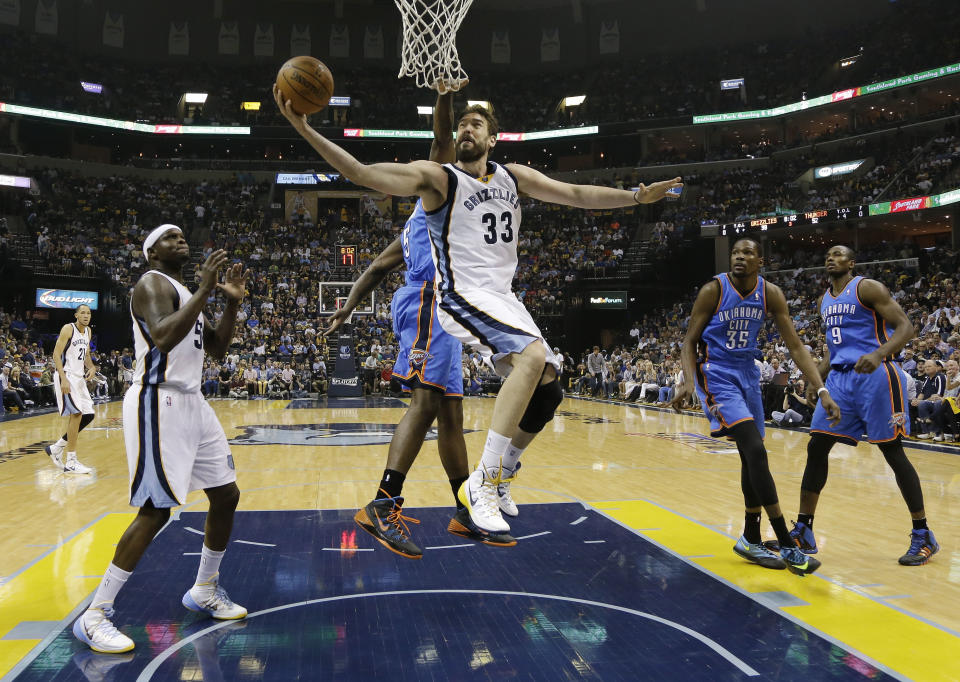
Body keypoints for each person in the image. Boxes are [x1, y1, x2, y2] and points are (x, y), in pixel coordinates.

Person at [276, 85, 681, 534]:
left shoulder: (512, 176)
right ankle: (480, 486)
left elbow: (576, 193)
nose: (466, 129)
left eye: (477, 124)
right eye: (461, 124)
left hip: (503, 296)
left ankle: (501, 475)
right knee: (522, 360)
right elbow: (362, 171)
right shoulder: (439, 179)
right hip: (460, 294)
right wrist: (303, 128)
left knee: (549, 388)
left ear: (492, 140)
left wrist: (635, 198)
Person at [325, 91, 514, 558]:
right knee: (427, 402)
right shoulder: (438, 190)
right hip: (429, 302)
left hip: (440, 307)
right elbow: (441, 137)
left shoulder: (417, 222)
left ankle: (464, 508)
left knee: (452, 413)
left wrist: (348, 307)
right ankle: (383, 503)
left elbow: (373, 269)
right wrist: (445, 92)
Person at [73, 225, 249, 653]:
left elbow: (218, 349)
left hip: (193, 401)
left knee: (226, 495)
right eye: (170, 237)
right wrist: (206, 289)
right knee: (156, 511)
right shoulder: (151, 283)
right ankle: (96, 614)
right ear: (152, 251)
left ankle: (204, 588)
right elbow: (163, 337)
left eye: (183, 235)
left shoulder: (185, 290)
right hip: (158, 402)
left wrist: (230, 303)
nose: (181, 239)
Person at [669, 238, 841, 577]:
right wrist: (687, 381)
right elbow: (689, 340)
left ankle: (750, 538)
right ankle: (787, 545)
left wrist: (821, 389)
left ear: (760, 260)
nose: (739, 258)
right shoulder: (712, 290)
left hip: (747, 373)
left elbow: (794, 344)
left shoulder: (771, 293)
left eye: (747, 253)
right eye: (735, 253)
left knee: (752, 455)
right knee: (756, 452)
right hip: (715, 372)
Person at [790, 245, 939, 566]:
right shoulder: (824, 300)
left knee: (891, 451)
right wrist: (818, 381)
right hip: (841, 380)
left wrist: (879, 353)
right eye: (827, 254)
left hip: (877, 377)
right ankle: (804, 529)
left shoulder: (867, 288)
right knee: (817, 447)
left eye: (838, 254)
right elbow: (832, 348)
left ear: (851, 262)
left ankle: (923, 533)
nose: (831, 258)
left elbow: (906, 327)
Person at [45, 304, 98, 474]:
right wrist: (63, 378)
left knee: (88, 414)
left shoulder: (88, 331)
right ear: (76, 315)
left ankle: (56, 447)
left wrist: (92, 367)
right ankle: (71, 461)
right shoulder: (68, 329)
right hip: (66, 375)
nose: (86, 315)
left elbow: (86, 354)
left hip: (79, 377)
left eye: (88, 313)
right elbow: (55, 354)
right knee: (76, 414)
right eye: (82, 312)